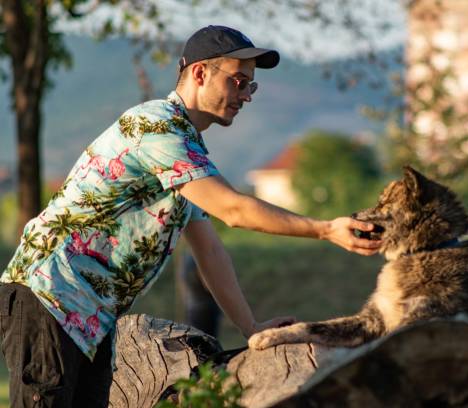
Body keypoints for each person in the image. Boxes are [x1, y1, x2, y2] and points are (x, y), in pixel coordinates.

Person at [0, 25, 380, 407]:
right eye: (238, 81)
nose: (246, 95)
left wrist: (250, 327)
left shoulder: (186, 150)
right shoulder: (156, 127)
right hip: (52, 296)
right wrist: (326, 229)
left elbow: (210, 252)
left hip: (90, 317)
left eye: (251, 86)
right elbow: (234, 210)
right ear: (200, 74)